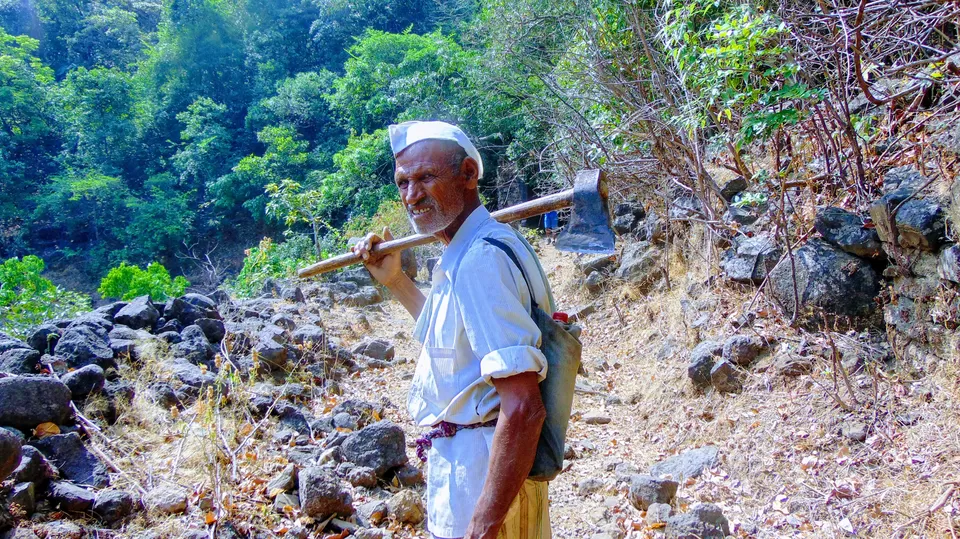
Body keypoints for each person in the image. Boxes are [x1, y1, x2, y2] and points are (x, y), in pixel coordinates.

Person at [352, 121, 556, 539]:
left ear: (468, 174)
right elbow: (450, 351)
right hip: (476, 472)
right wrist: (395, 280)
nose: (412, 195)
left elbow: (523, 408)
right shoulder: (472, 252)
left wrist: (481, 526)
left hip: (483, 478)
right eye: (403, 182)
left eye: (426, 177)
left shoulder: (481, 260)